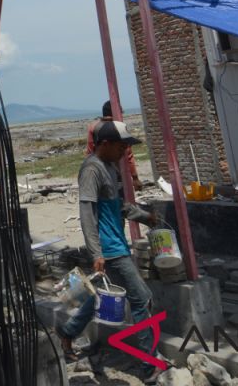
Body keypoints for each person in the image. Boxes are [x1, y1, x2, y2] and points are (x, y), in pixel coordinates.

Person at [58, 119, 161, 382]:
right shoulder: (91, 170)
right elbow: (87, 213)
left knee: (101, 296)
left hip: (116, 244)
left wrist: (144, 216)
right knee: (141, 298)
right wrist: (96, 254)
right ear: (105, 144)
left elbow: (120, 206)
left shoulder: (111, 168)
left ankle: (68, 333)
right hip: (109, 250)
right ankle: (148, 364)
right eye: (121, 145)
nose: (125, 151)